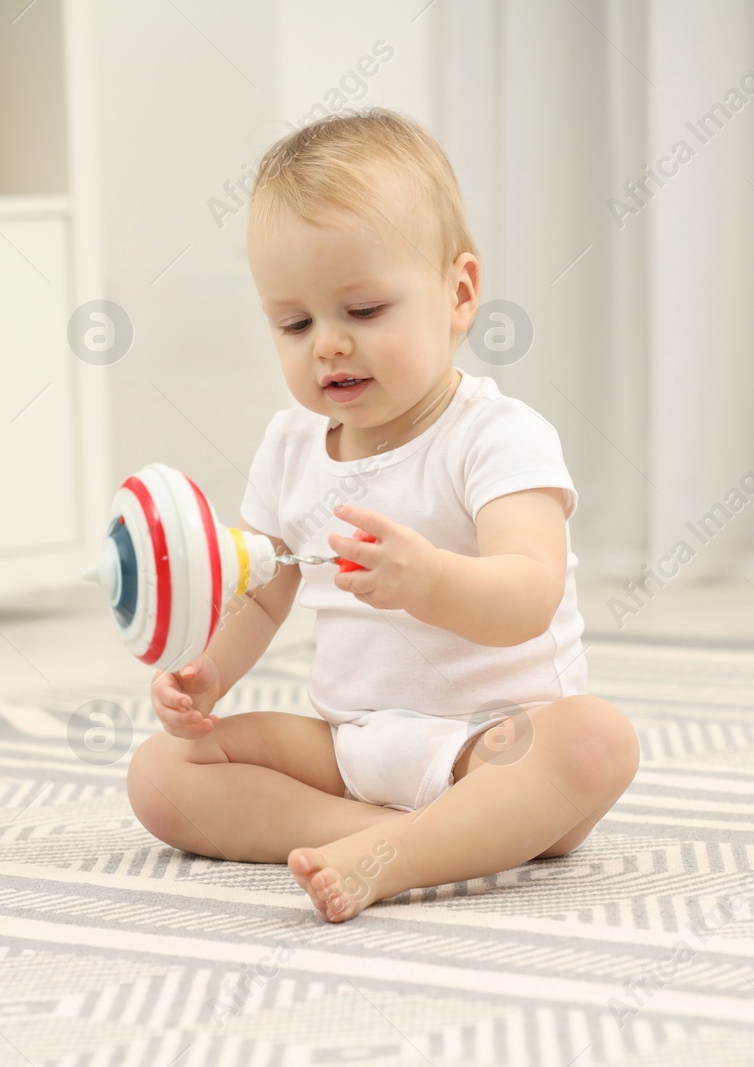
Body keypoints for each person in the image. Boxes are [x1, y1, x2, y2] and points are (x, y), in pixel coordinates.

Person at [126, 107, 639, 922]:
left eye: (362, 311)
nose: (327, 343)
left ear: (459, 294)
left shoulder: (497, 436)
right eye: (295, 323)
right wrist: (210, 670)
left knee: (597, 740)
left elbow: (530, 590)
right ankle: (384, 834)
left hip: (490, 745)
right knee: (162, 772)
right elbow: (261, 588)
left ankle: (409, 849)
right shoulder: (291, 444)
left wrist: (428, 579)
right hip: (349, 744)